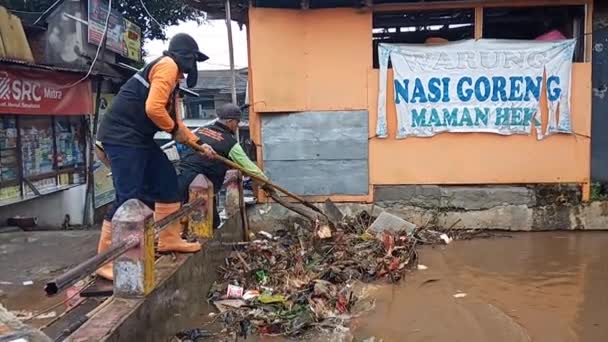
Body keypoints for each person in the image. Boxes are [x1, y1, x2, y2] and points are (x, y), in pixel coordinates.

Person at [94, 33, 214, 281]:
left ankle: (169, 239)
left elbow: (177, 124)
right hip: (121, 137)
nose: (191, 68)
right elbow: (153, 108)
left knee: (167, 182)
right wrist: (172, 129)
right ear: (186, 57)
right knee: (129, 197)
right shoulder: (167, 66)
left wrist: (199, 144)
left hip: (139, 138)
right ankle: (105, 260)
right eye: (193, 60)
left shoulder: (174, 82)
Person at [177, 103, 267, 228]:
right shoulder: (230, 143)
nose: (238, 126)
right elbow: (250, 168)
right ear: (230, 121)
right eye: (237, 122)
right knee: (208, 224)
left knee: (184, 219)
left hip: (181, 179)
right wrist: (266, 185)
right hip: (201, 186)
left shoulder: (200, 131)